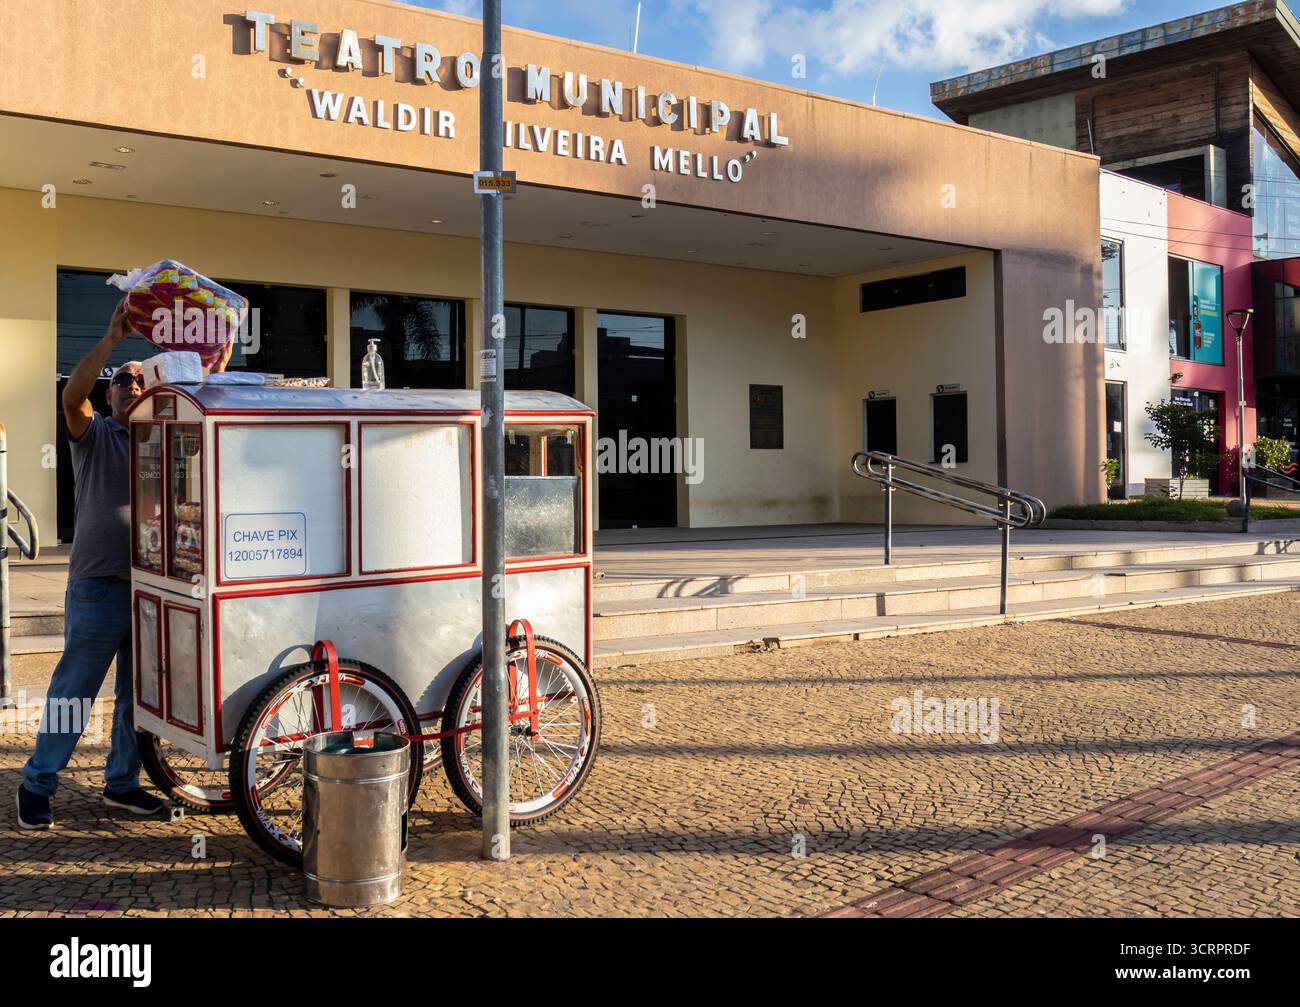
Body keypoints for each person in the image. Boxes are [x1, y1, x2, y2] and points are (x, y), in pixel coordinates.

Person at [16, 300, 232, 829]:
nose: (131, 386)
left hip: (153, 589)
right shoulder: (95, 435)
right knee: (73, 692)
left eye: (140, 381)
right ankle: (36, 783)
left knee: (141, 698)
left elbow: (203, 406)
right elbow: (70, 398)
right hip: (97, 586)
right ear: (107, 393)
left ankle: (123, 784)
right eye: (121, 382)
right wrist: (112, 341)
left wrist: (214, 363)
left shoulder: (162, 436)